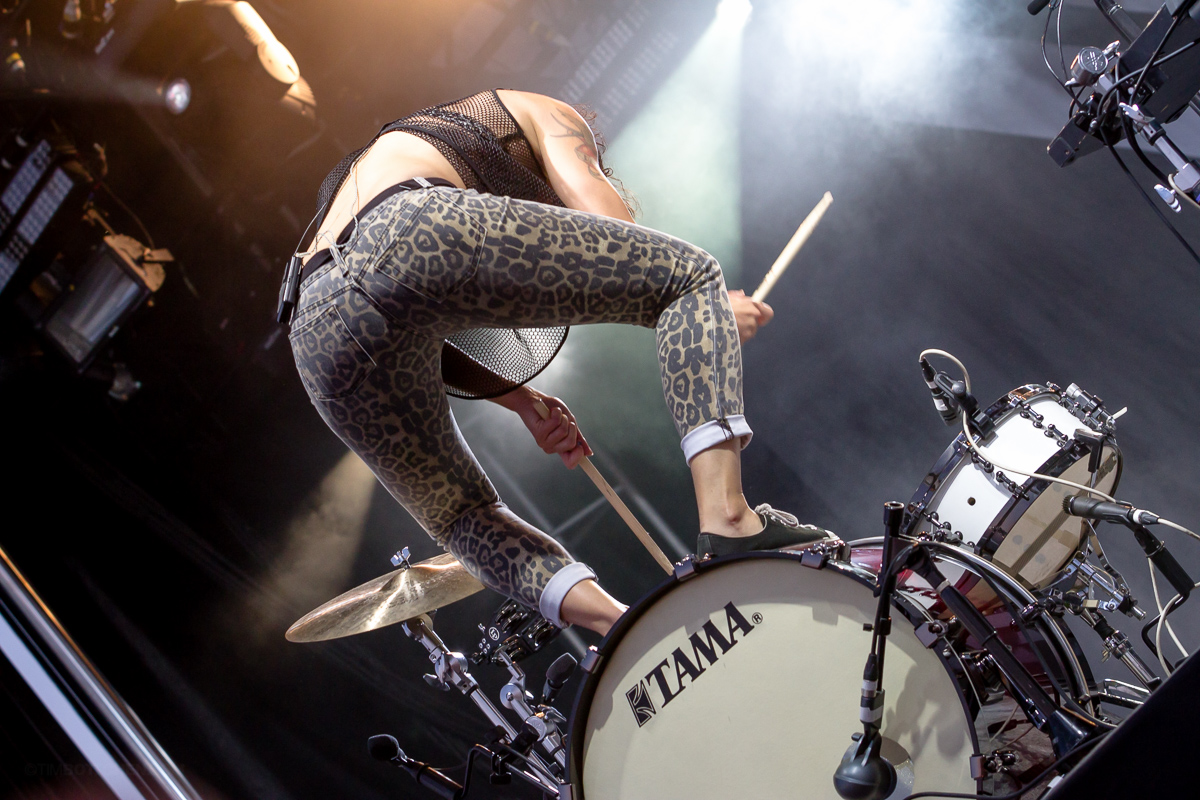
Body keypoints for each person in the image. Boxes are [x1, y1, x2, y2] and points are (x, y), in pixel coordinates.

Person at [286, 89, 834, 637]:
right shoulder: (549, 114)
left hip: (310, 323)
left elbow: (386, 305)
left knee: (460, 516)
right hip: (410, 226)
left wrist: (521, 401)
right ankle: (729, 521)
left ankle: (627, 631)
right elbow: (636, 248)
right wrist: (699, 300)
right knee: (688, 276)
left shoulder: (391, 159)